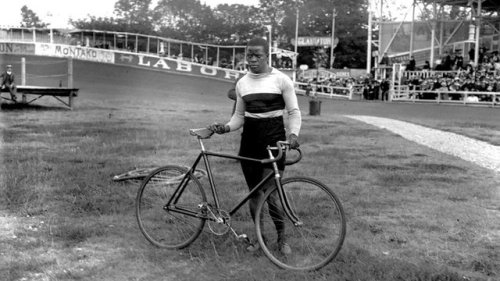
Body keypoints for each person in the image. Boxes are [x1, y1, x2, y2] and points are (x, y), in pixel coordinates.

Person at [208, 37, 301, 255]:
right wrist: (225, 127)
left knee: (271, 194)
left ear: (267, 55)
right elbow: (239, 117)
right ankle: (261, 240)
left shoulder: (281, 80)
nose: (252, 59)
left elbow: (294, 112)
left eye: (257, 55)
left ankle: (282, 239)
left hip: (274, 141)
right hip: (249, 142)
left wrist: (294, 134)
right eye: (249, 55)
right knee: (254, 194)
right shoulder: (242, 83)